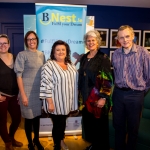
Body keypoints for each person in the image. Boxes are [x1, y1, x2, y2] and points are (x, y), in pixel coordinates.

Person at [112, 25, 150, 150]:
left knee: (133, 129)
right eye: (121, 37)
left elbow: (148, 76)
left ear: (133, 36)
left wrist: (140, 92)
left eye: (127, 36)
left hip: (135, 95)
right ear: (118, 39)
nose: (125, 40)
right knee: (118, 126)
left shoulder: (143, 52)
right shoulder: (116, 54)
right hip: (118, 94)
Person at [40, 40, 78, 150]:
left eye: (63, 49)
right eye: (58, 50)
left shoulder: (70, 64)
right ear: (53, 52)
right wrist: (50, 103)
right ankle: (57, 145)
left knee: (61, 124)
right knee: (58, 125)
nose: (60, 52)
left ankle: (60, 141)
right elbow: (45, 84)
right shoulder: (49, 65)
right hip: (55, 102)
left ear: (66, 51)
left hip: (67, 102)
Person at [78, 30, 113, 150]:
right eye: (88, 40)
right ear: (86, 43)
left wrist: (103, 97)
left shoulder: (103, 58)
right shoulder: (84, 58)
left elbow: (107, 79)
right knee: (90, 125)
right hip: (86, 98)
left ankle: (101, 147)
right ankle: (94, 145)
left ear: (98, 42)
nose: (90, 42)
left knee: (99, 126)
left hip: (97, 98)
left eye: (93, 40)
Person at [14, 31, 45, 150]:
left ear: (37, 40)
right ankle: (30, 143)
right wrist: (22, 95)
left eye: (33, 39)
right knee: (28, 119)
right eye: (29, 39)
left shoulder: (41, 55)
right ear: (26, 42)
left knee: (37, 118)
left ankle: (36, 140)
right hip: (26, 91)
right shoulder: (22, 55)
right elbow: (18, 75)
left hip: (38, 92)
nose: (31, 41)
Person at [0, 34, 23, 150]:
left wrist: (21, 92)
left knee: (17, 119)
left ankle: (11, 137)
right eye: (0, 43)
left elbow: (21, 76)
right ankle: (7, 143)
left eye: (5, 43)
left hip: (15, 95)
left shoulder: (16, 57)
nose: (2, 45)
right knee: (1, 121)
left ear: (9, 45)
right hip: (1, 96)